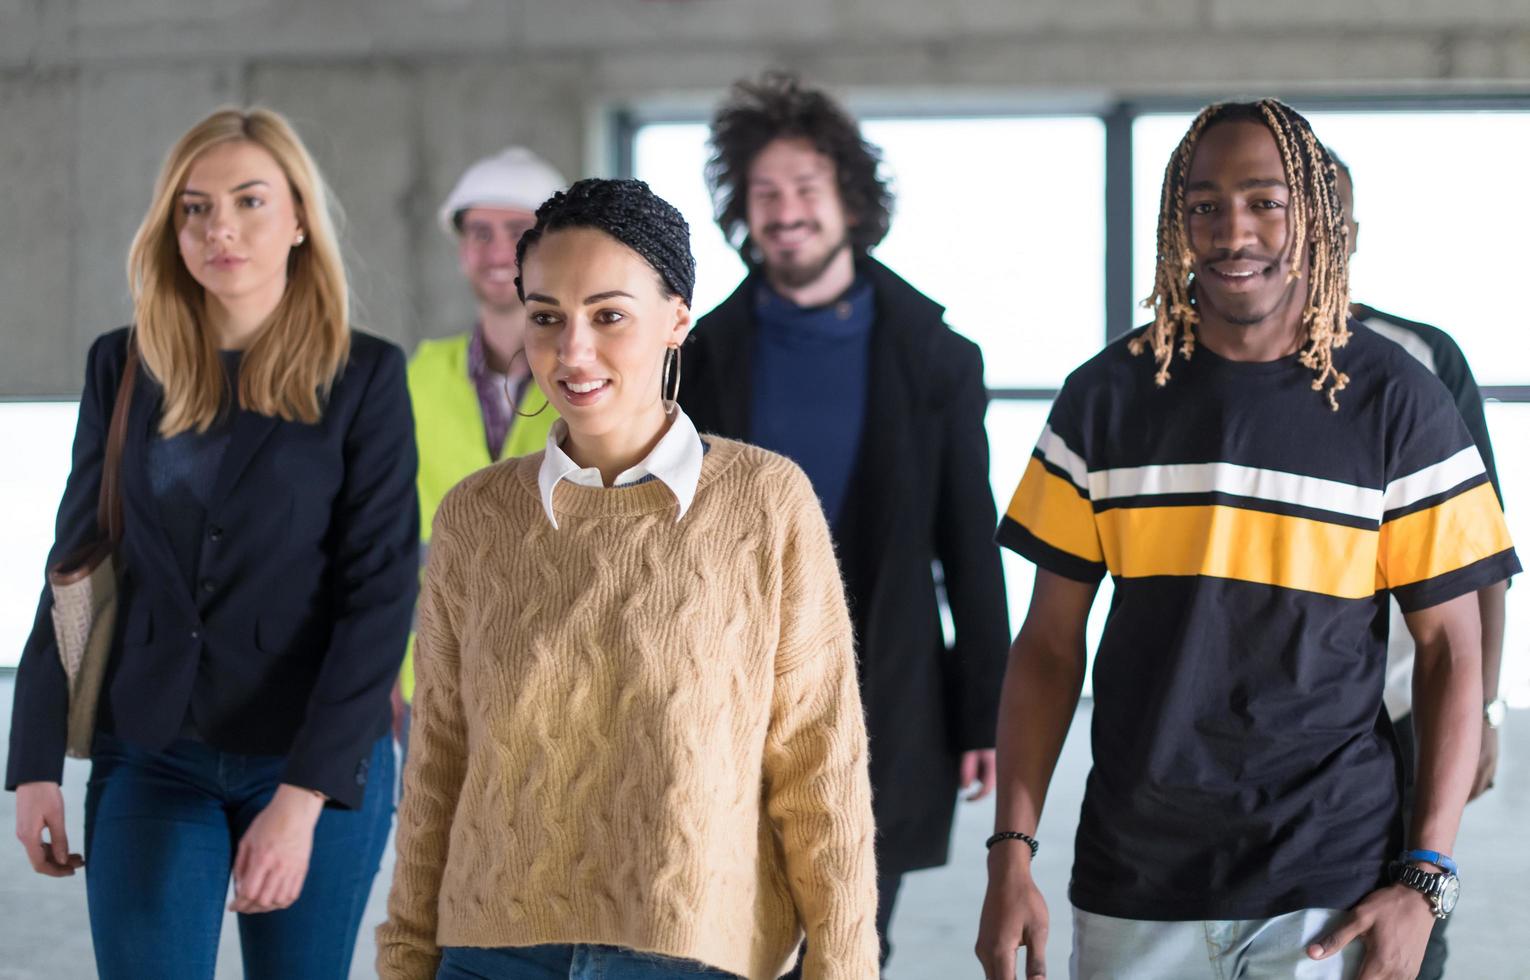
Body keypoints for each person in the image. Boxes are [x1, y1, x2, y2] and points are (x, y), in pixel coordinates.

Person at [975, 100, 1519, 980]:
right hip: (1135, 875)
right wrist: (1010, 854)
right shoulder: (1105, 399)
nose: (1235, 231)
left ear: (1315, 216)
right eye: (1205, 205)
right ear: (1176, 219)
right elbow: (1045, 646)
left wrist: (1428, 878)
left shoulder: (1401, 402)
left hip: (1331, 878)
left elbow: (1452, 648)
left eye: (1266, 201)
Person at [377, 178, 879, 980]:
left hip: (692, 954)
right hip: (489, 956)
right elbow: (438, 757)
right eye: (547, 318)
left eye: (609, 315)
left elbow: (819, 760)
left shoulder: (764, 501)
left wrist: (844, 964)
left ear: (678, 318)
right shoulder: (477, 517)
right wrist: (405, 955)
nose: (573, 351)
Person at [6, 108, 418, 978]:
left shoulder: (366, 376)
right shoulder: (122, 367)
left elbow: (380, 595)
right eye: (194, 208)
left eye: (249, 200)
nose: (219, 227)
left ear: (300, 219)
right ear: (170, 228)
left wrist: (300, 804)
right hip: (154, 751)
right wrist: (34, 759)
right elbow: (74, 562)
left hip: (313, 759)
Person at [679, 71, 1010, 971]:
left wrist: (987, 710)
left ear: (850, 203)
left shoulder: (935, 354)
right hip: (724, 685)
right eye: (766, 193)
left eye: (806, 191)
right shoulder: (700, 354)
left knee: (851, 933)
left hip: (886, 689)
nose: (786, 212)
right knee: (719, 931)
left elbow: (967, 541)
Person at [1331, 150, 1510, 980]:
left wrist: (1484, 711)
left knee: (1403, 935)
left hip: (1403, 708)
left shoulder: (1420, 359)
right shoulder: (1175, 361)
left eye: (1325, 212)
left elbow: (1482, 563)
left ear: (1353, 231)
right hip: (1256, 729)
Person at [393, 147, 568, 756]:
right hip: (437, 680)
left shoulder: (592, 373)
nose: (497, 250)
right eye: (479, 232)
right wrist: (387, 669)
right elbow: (378, 538)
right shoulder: (412, 378)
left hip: (566, 677)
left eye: (517, 232)